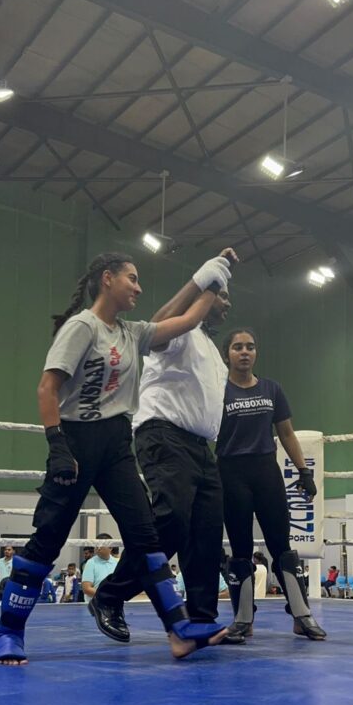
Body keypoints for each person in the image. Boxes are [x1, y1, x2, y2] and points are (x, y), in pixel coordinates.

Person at [0, 250, 233, 665]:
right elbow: (47, 388)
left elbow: (188, 320)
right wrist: (56, 444)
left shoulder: (132, 333)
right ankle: (9, 631)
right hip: (76, 442)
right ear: (108, 279)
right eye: (132, 279)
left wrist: (213, 278)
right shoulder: (82, 327)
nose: (138, 287)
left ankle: (178, 631)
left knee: (146, 536)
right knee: (49, 538)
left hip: (117, 445)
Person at [92, 248, 239, 638]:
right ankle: (110, 595)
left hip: (201, 448)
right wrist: (205, 279)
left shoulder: (213, 353)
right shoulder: (181, 332)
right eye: (221, 295)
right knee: (170, 521)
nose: (226, 303)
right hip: (164, 435)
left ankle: (202, 620)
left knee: (206, 533)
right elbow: (155, 325)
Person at [216, 328, 326, 641]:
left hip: (266, 471)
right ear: (227, 354)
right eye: (238, 347)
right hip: (231, 472)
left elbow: (286, 433)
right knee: (240, 548)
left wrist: (304, 471)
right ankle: (243, 620)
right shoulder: (218, 391)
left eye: (250, 347)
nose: (244, 352)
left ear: (256, 353)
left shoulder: (271, 389)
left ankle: (301, 616)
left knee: (282, 547)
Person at [81, 536, 119, 604]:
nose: (98, 547)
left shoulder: (116, 563)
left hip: (114, 604)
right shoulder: (90, 563)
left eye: (101, 545)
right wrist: (106, 596)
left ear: (110, 547)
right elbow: (86, 589)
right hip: (95, 605)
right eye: (96, 544)